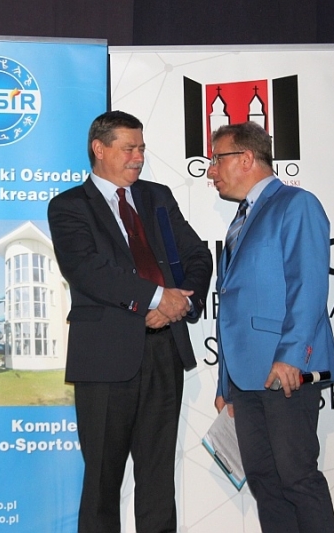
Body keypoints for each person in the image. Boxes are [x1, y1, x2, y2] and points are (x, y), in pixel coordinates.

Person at [48, 110, 212, 533]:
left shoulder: (158, 197)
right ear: (99, 149)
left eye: (141, 148)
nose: (138, 157)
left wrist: (181, 303)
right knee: (102, 484)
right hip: (105, 359)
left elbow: (197, 255)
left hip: (164, 352)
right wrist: (157, 297)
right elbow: (88, 271)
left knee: (158, 481)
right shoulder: (69, 206)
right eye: (128, 148)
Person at [209, 121, 334, 533]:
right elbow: (233, 305)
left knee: (297, 478)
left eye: (217, 159)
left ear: (246, 158)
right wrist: (226, 382)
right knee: (265, 482)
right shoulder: (242, 217)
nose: (211, 171)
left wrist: (292, 356)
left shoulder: (296, 204)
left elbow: (309, 285)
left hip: (285, 370)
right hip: (246, 378)